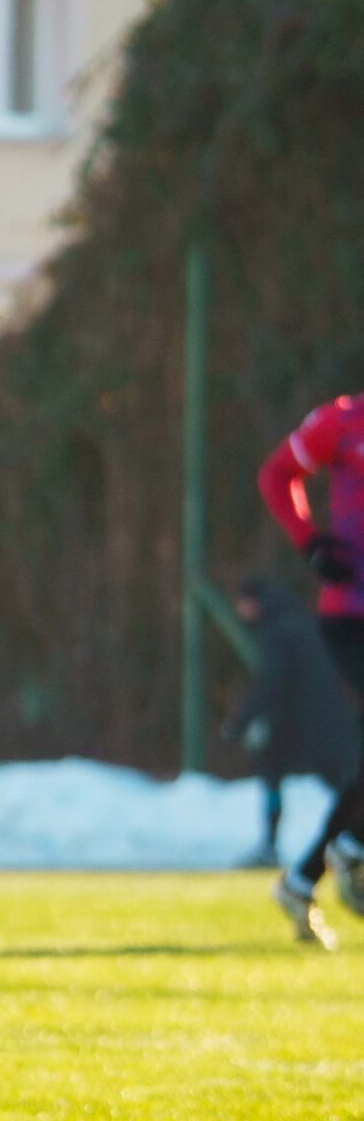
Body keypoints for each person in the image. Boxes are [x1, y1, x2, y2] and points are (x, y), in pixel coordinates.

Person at [257, 393, 364, 943]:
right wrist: (309, 541)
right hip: (351, 615)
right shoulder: (342, 422)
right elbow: (277, 474)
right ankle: (347, 852)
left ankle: (308, 876)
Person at [219, 577, 359, 872]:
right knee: (344, 785)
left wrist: (241, 721)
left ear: (252, 602)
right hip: (330, 721)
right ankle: (348, 844)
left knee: (277, 776)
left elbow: (273, 681)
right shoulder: (304, 621)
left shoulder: (276, 630)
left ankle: (274, 847)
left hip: (300, 723)